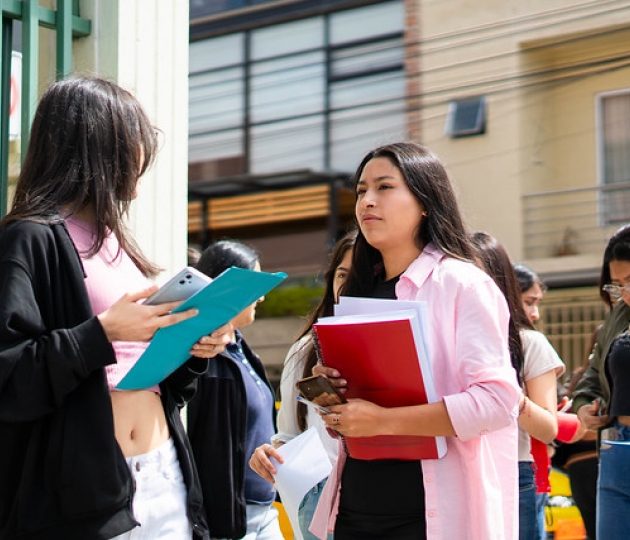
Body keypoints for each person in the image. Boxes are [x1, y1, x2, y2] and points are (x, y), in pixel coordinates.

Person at [0, 76, 232, 540]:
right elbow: (11, 376)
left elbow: (151, 382)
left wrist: (192, 349)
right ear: (97, 146)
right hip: (84, 496)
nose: (142, 158)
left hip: (163, 473)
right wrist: (102, 332)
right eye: (134, 142)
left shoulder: (115, 246)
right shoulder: (29, 239)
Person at [302, 142, 521, 539]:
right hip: (354, 508)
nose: (367, 201)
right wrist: (336, 400)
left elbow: (498, 402)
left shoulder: (464, 284)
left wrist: (383, 421)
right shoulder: (359, 291)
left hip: (429, 515)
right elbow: (363, 408)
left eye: (384, 187)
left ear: (425, 201)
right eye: (362, 189)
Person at [249, 230, 356, 539]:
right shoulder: (306, 349)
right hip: (317, 503)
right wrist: (270, 457)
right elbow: (287, 436)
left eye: (358, 275)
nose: (346, 285)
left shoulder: (399, 343)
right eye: (341, 274)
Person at [187, 240, 284, 540]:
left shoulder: (242, 350)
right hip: (225, 522)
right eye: (256, 285)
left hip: (265, 510)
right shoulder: (198, 356)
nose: (263, 297)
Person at [471, 233, 565, 540]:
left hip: (511, 471)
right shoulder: (441, 339)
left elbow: (547, 428)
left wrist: (505, 390)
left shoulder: (530, 343)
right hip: (454, 471)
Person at [514, 263, 594, 540]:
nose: (535, 313)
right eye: (529, 302)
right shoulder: (530, 344)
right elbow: (553, 424)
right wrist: (574, 423)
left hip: (533, 474)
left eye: (537, 303)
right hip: (527, 476)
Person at [572, 223, 630, 539]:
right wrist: (583, 407)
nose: (624, 294)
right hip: (616, 446)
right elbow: (593, 372)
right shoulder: (617, 316)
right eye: (617, 285)